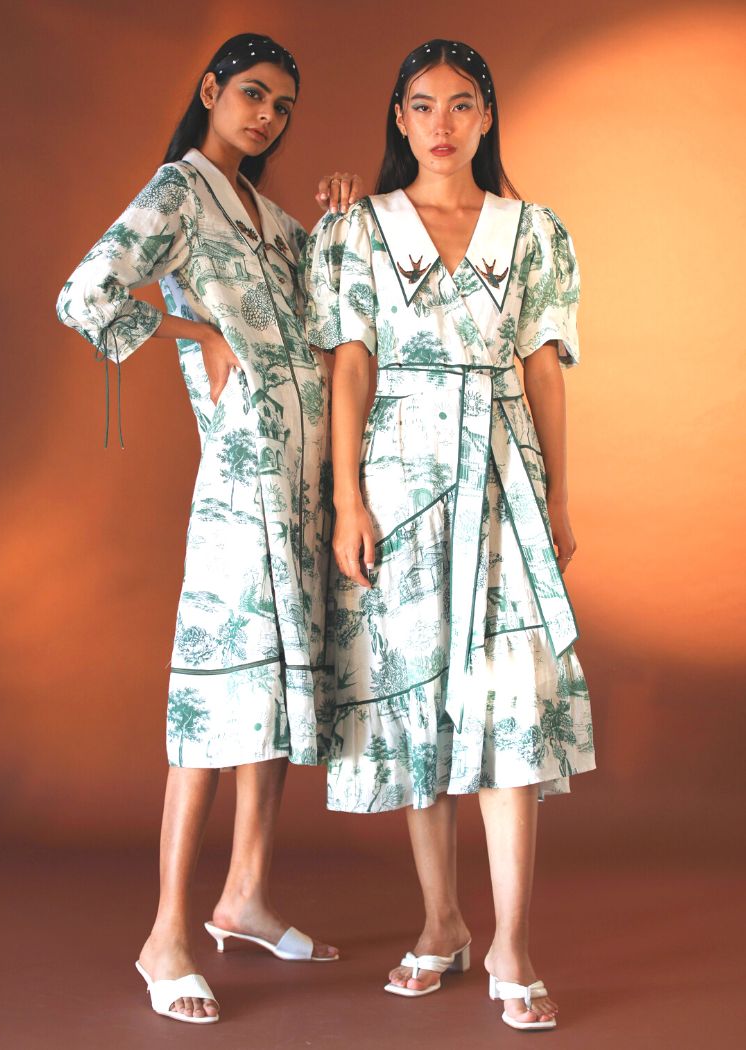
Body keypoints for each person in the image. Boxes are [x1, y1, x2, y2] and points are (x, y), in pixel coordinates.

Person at [57, 33, 361, 1025]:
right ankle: (165, 935)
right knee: (212, 705)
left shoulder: (273, 222)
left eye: (283, 105)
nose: (268, 116)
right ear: (211, 90)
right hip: (240, 489)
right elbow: (86, 293)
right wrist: (197, 335)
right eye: (253, 94)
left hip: (304, 491)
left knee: (271, 698)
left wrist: (341, 221)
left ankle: (247, 895)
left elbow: (336, 311)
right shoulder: (178, 194)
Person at [302, 38, 595, 1032]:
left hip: (506, 483)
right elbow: (350, 365)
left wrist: (558, 499)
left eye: (461, 104)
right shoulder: (363, 228)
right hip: (401, 485)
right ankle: (441, 921)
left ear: (485, 117)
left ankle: (513, 942)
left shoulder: (532, 230)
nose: (441, 123)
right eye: (422, 105)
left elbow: (544, 368)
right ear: (398, 117)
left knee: (512, 702)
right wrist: (348, 499)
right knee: (417, 701)